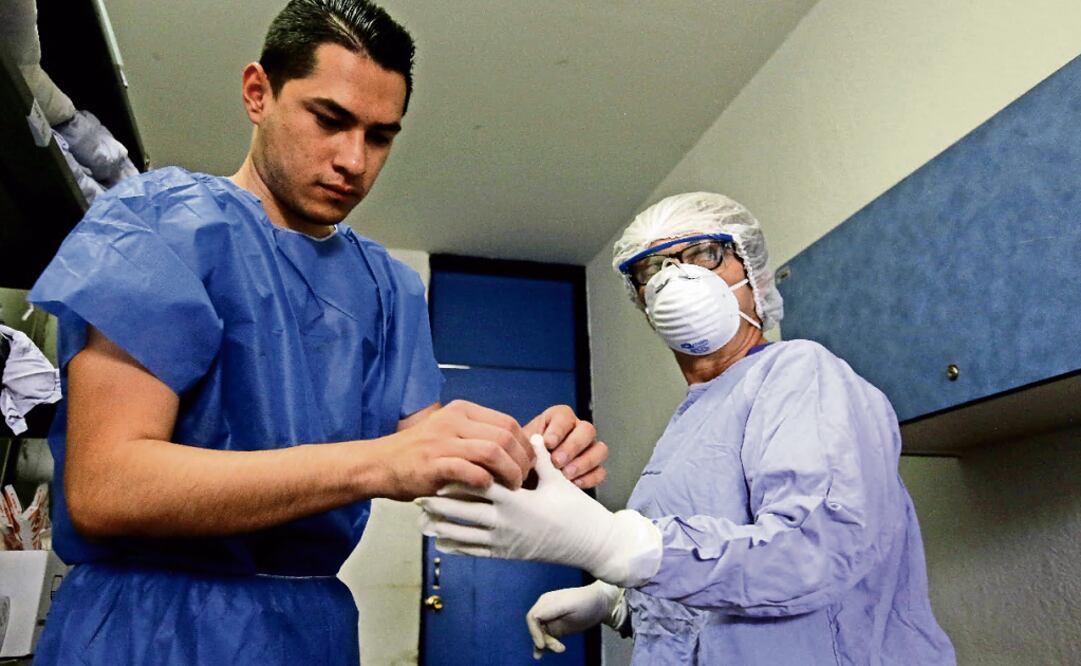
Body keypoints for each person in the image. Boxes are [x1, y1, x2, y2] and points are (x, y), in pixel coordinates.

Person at [26, 1, 607, 663]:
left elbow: (424, 456)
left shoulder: (388, 288)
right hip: (147, 628)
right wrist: (375, 463)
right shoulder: (161, 224)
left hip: (310, 632)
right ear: (258, 93)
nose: (354, 160)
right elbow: (109, 488)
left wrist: (523, 459)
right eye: (329, 120)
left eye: (380, 135)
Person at [419, 192, 957, 664]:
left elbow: (811, 553)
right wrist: (617, 603)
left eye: (704, 254)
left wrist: (613, 543)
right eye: (652, 268)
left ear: (754, 275)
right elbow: (712, 603)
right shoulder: (692, 421)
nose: (677, 278)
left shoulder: (800, 372)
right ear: (643, 302)